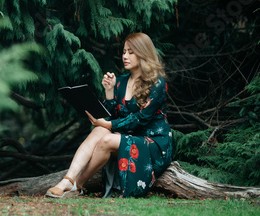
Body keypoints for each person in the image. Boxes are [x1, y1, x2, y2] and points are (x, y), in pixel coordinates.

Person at [46, 33, 173, 198]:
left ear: (143, 54)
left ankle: (78, 185)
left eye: (131, 52)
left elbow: (140, 120)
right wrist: (109, 92)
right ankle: (67, 180)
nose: (125, 56)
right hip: (128, 137)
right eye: (124, 51)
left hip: (153, 143)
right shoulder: (120, 81)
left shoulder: (157, 84)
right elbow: (111, 116)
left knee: (106, 137)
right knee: (99, 132)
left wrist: (107, 125)